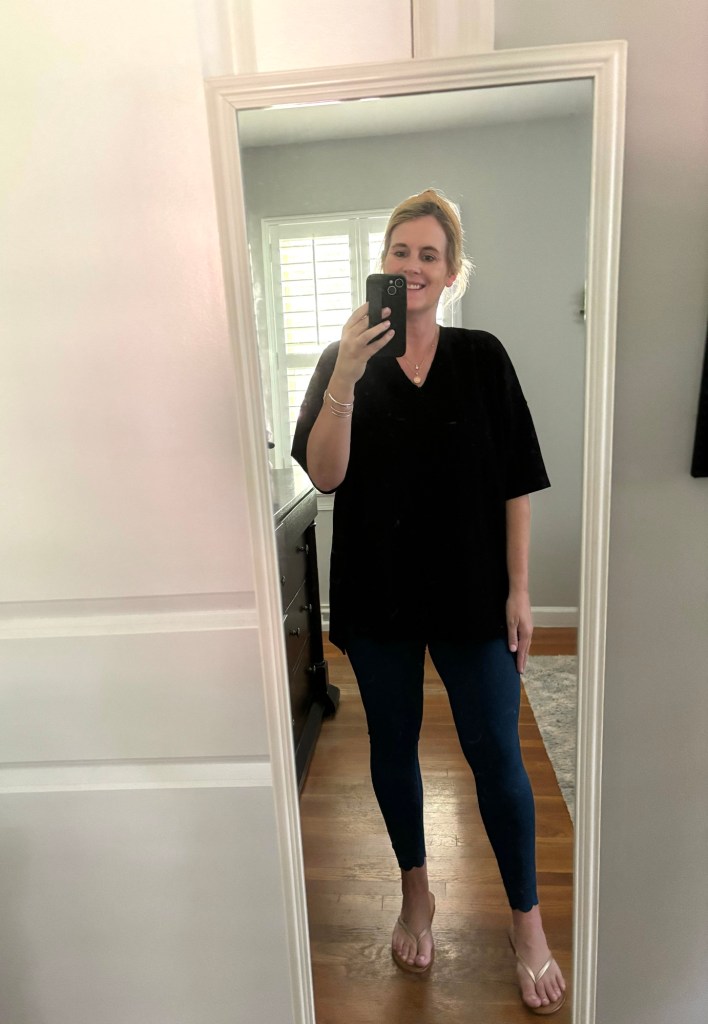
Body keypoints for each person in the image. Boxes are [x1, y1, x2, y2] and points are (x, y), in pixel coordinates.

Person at [291, 189, 567, 1015]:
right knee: (393, 747)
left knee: (498, 756)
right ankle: (417, 889)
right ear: (382, 262)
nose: (410, 266)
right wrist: (345, 374)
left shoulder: (483, 357)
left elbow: (516, 480)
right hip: (377, 595)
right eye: (399, 251)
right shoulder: (342, 359)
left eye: (428, 255)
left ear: (451, 274)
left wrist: (522, 591)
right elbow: (326, 475)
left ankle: (526, 921)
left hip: (474, 593)